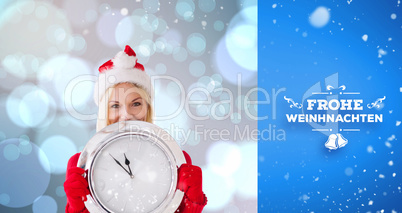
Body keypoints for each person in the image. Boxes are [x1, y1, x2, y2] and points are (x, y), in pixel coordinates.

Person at [64, 45, 207, 213]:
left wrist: (193, 200)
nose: (126, 115)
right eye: (115, 105)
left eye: (136, 104)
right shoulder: (80, 165)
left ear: (147, 108)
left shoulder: (176, 161)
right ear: (104, 111)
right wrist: (77, 207)